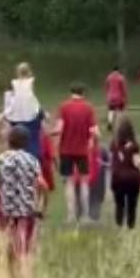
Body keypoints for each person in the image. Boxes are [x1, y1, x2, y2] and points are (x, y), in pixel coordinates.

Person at [0, 125, 49, 278]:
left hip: (6, 210)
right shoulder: (32, 161)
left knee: (7, 246)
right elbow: (43, 186)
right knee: (23, 247)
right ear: (26, 142)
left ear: (10, 140)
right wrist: (43, 206)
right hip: (26, 211)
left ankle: (10, 276)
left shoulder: (1, 159)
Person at [50, 85, 97, 224]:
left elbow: (59, 128)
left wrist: (50, 133)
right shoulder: (88, 108)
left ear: (71, 93)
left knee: (69, 183)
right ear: (83, 93)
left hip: (66, 151)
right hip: (82, 151)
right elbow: (94, 130)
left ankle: (70, 216)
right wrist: (93, 140)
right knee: (84, 182)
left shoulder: (63, 107)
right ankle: (85, 216)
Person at [0, 63, 45, 164]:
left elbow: (10, 99)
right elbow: (31, 98)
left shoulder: (13, 83)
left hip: (16, 115)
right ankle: (33, 159)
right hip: (30, 114)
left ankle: (16, 160)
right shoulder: (31, 81)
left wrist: (6, 113)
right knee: (32, 138)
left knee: (17, 137)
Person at [108, 119, 140, 229]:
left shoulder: (114, 144)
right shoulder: (134, 145)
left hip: (117, 178)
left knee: (119, 204)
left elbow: (112, 160)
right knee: (132, 205)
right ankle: (131, 226)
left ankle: (119, 224)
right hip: (132, 178)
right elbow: (137, 163)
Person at [104, 66, 128, 130]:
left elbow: (106, 87)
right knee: (120, 111)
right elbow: (123, 88)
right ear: (118, 70)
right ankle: (119, 124)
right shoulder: (121, 78)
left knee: (111, 110)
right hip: (119, 97)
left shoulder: (108, 77)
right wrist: (125, 96)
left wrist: (107, 94)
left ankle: (110, 122)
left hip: (110, 97)